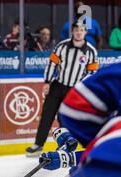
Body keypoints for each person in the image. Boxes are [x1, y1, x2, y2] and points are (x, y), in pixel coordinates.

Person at [26, 22, 98, 157]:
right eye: (76, 30)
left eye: (81, 30)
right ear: (72, 31)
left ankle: (65, 145)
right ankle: (39, 144)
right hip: (57, 86)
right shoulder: (62, 46)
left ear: (85, 32)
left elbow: (92, 73)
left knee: (65, 118)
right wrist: (47, 82)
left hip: (74, 90)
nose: (78, 32)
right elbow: (52, 64)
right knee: (47, 115)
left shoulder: (90, 51)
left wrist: (82, 88)